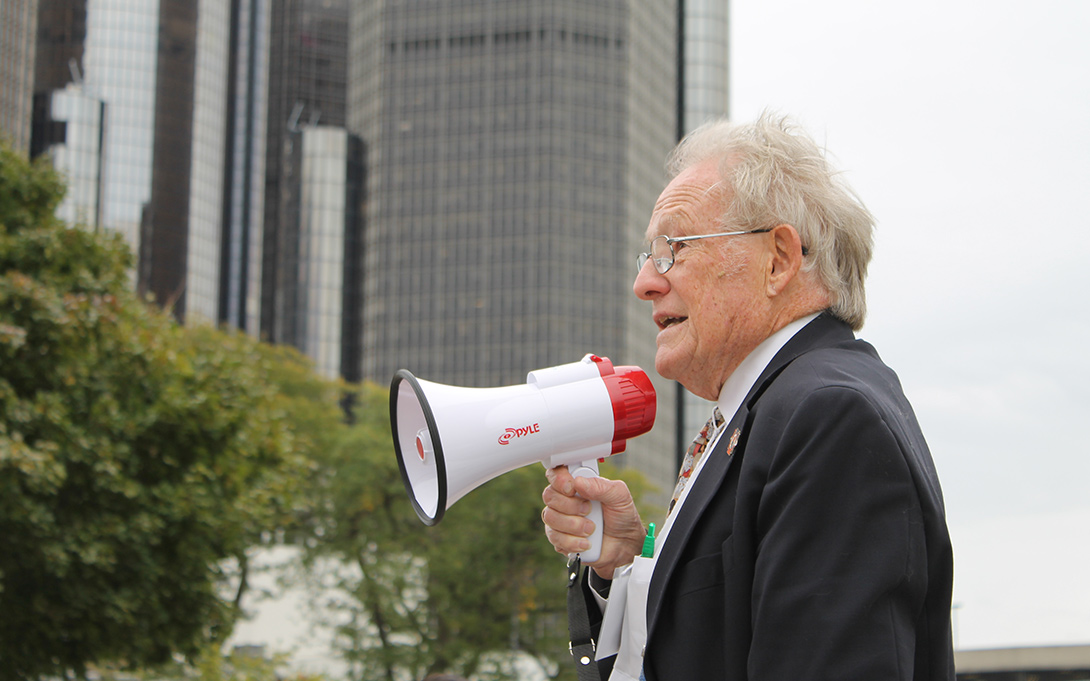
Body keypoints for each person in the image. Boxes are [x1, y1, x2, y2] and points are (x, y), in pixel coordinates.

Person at [541, 113, 955, 681]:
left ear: (778, 259)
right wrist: (627, 566)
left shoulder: (827, 417)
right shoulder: (781, 410)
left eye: (674, 247)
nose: (645, 282)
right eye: (649, 256)